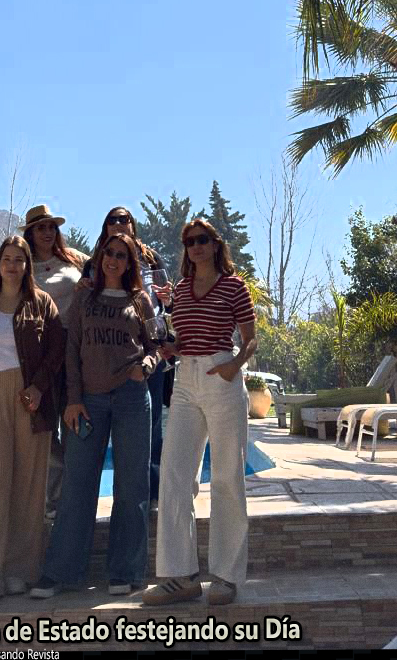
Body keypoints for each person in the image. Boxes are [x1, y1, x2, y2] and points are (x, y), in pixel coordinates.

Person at [31, 232, 160, 599]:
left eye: (121, 255)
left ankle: (125, 571)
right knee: (77, 485)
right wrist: (72, 399)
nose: (113, 260)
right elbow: (71, 350)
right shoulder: (85, 298)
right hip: (89, 401)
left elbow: (157, 345)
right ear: (100, 258)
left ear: (130, 263)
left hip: (132, 399)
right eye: (109, 253)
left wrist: (145, 367)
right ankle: (61, 572)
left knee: (131, 486)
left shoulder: (140, 300)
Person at [143, 218, 256, 607]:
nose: (196, 246)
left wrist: (234, 364)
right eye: (190, 241)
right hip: (185, 380)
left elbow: (251, 337)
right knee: (174, 475)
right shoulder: (181, 289)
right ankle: (181, 576)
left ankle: (225, 576)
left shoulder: (233, 286)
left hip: (222, 375)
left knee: (226, 477)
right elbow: (184, 337)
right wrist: (171, 348)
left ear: (215, 244)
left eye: (202, 240)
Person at [0, 236, 65, 608]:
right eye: (7, 259)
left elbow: (56, 350)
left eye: (19, 260)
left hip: (30, 400)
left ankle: (21, 571)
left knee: (29, 488)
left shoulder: (42, 303)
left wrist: (38, 388)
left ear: (27, 265)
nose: (12, 265)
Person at [83, 206, 173, 510]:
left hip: (147, 351)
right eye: (113, 220)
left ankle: (152, 493)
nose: (119, 223)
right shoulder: (94, 263)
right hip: (105, 358)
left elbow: (164, 307)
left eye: (125, 219)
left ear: (133, 225)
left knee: (152, 427)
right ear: (105, 227)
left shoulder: (152, 259)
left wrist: (168, 301)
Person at [20, 204, 88, 519]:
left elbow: (105, 273)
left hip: (76, 347)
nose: (47, 232)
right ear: (30, 233)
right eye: (40, 228)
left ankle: (74, 496)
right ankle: (55, 499)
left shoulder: (74, 259)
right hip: (41, 351)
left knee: (74, 421)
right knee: (46, 427)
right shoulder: (24, 266)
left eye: (51, 227)